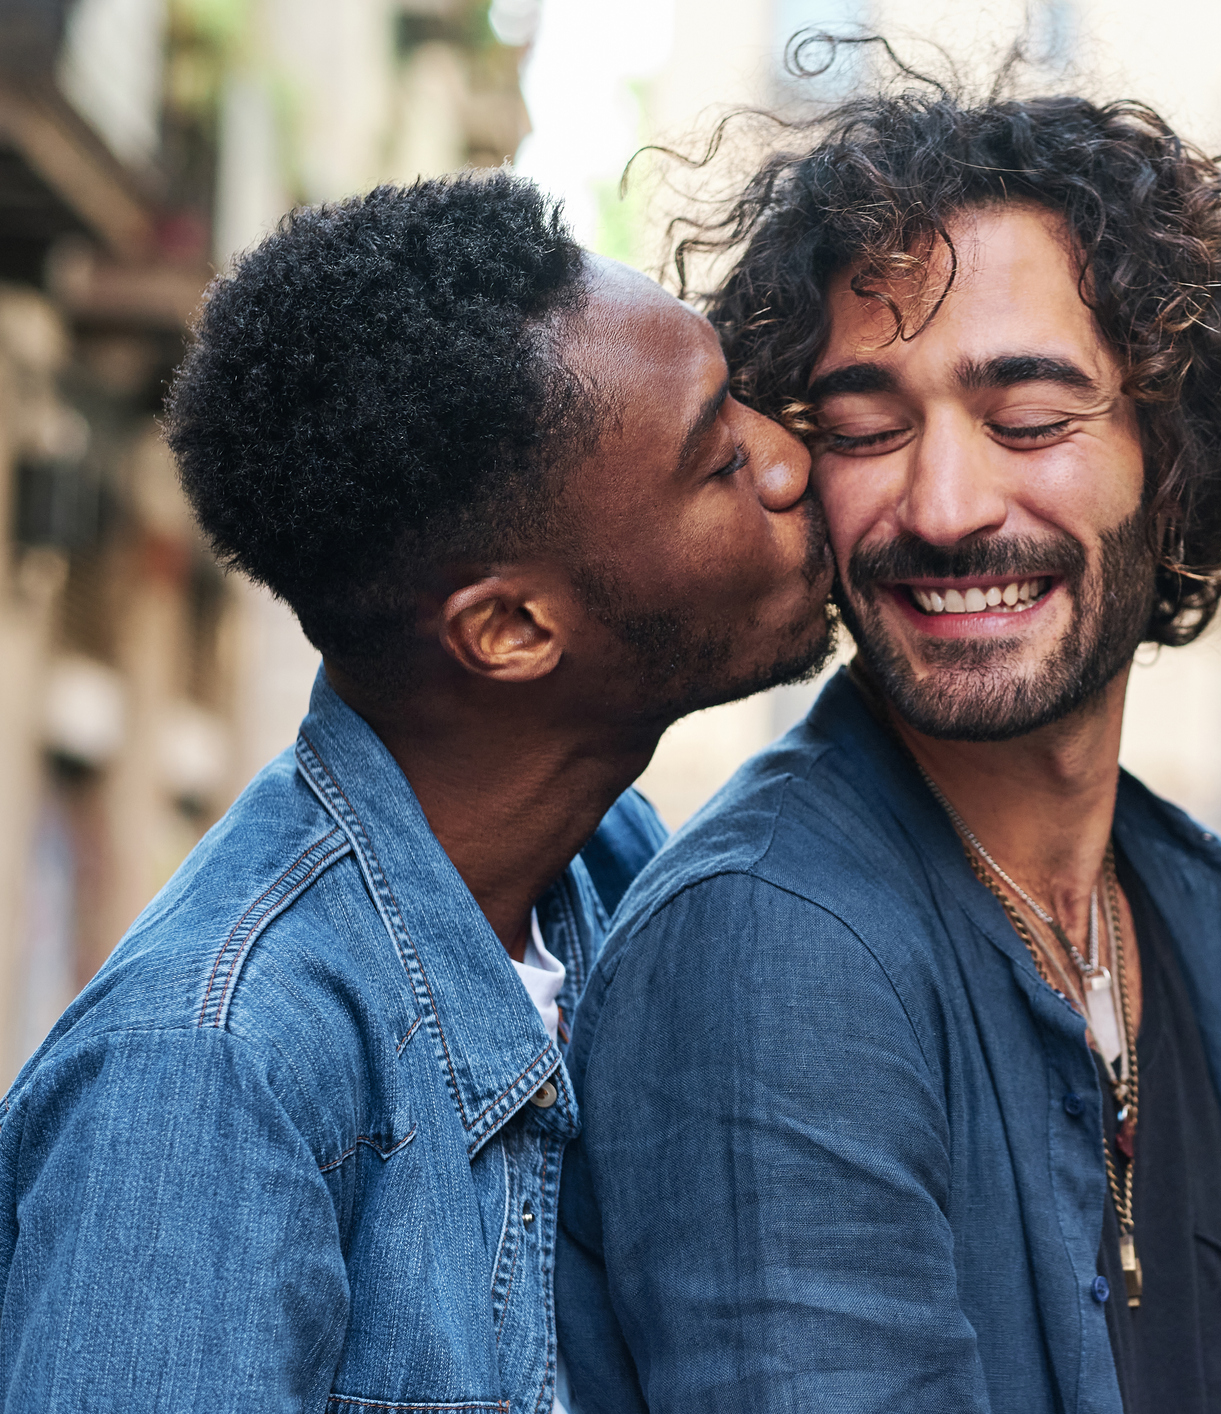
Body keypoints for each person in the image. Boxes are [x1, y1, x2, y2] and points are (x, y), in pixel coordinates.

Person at [559, 87, 1221, 1414]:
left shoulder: (1200, 908)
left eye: (1031, 419)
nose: (941, 508)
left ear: (1178, 452)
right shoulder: (771, 937)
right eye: (864, 429)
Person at [0, 172, 833, 1411]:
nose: (786, 462)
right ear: (509, 629)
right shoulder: (210, 1076)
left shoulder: (617, 874)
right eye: (715, 457)